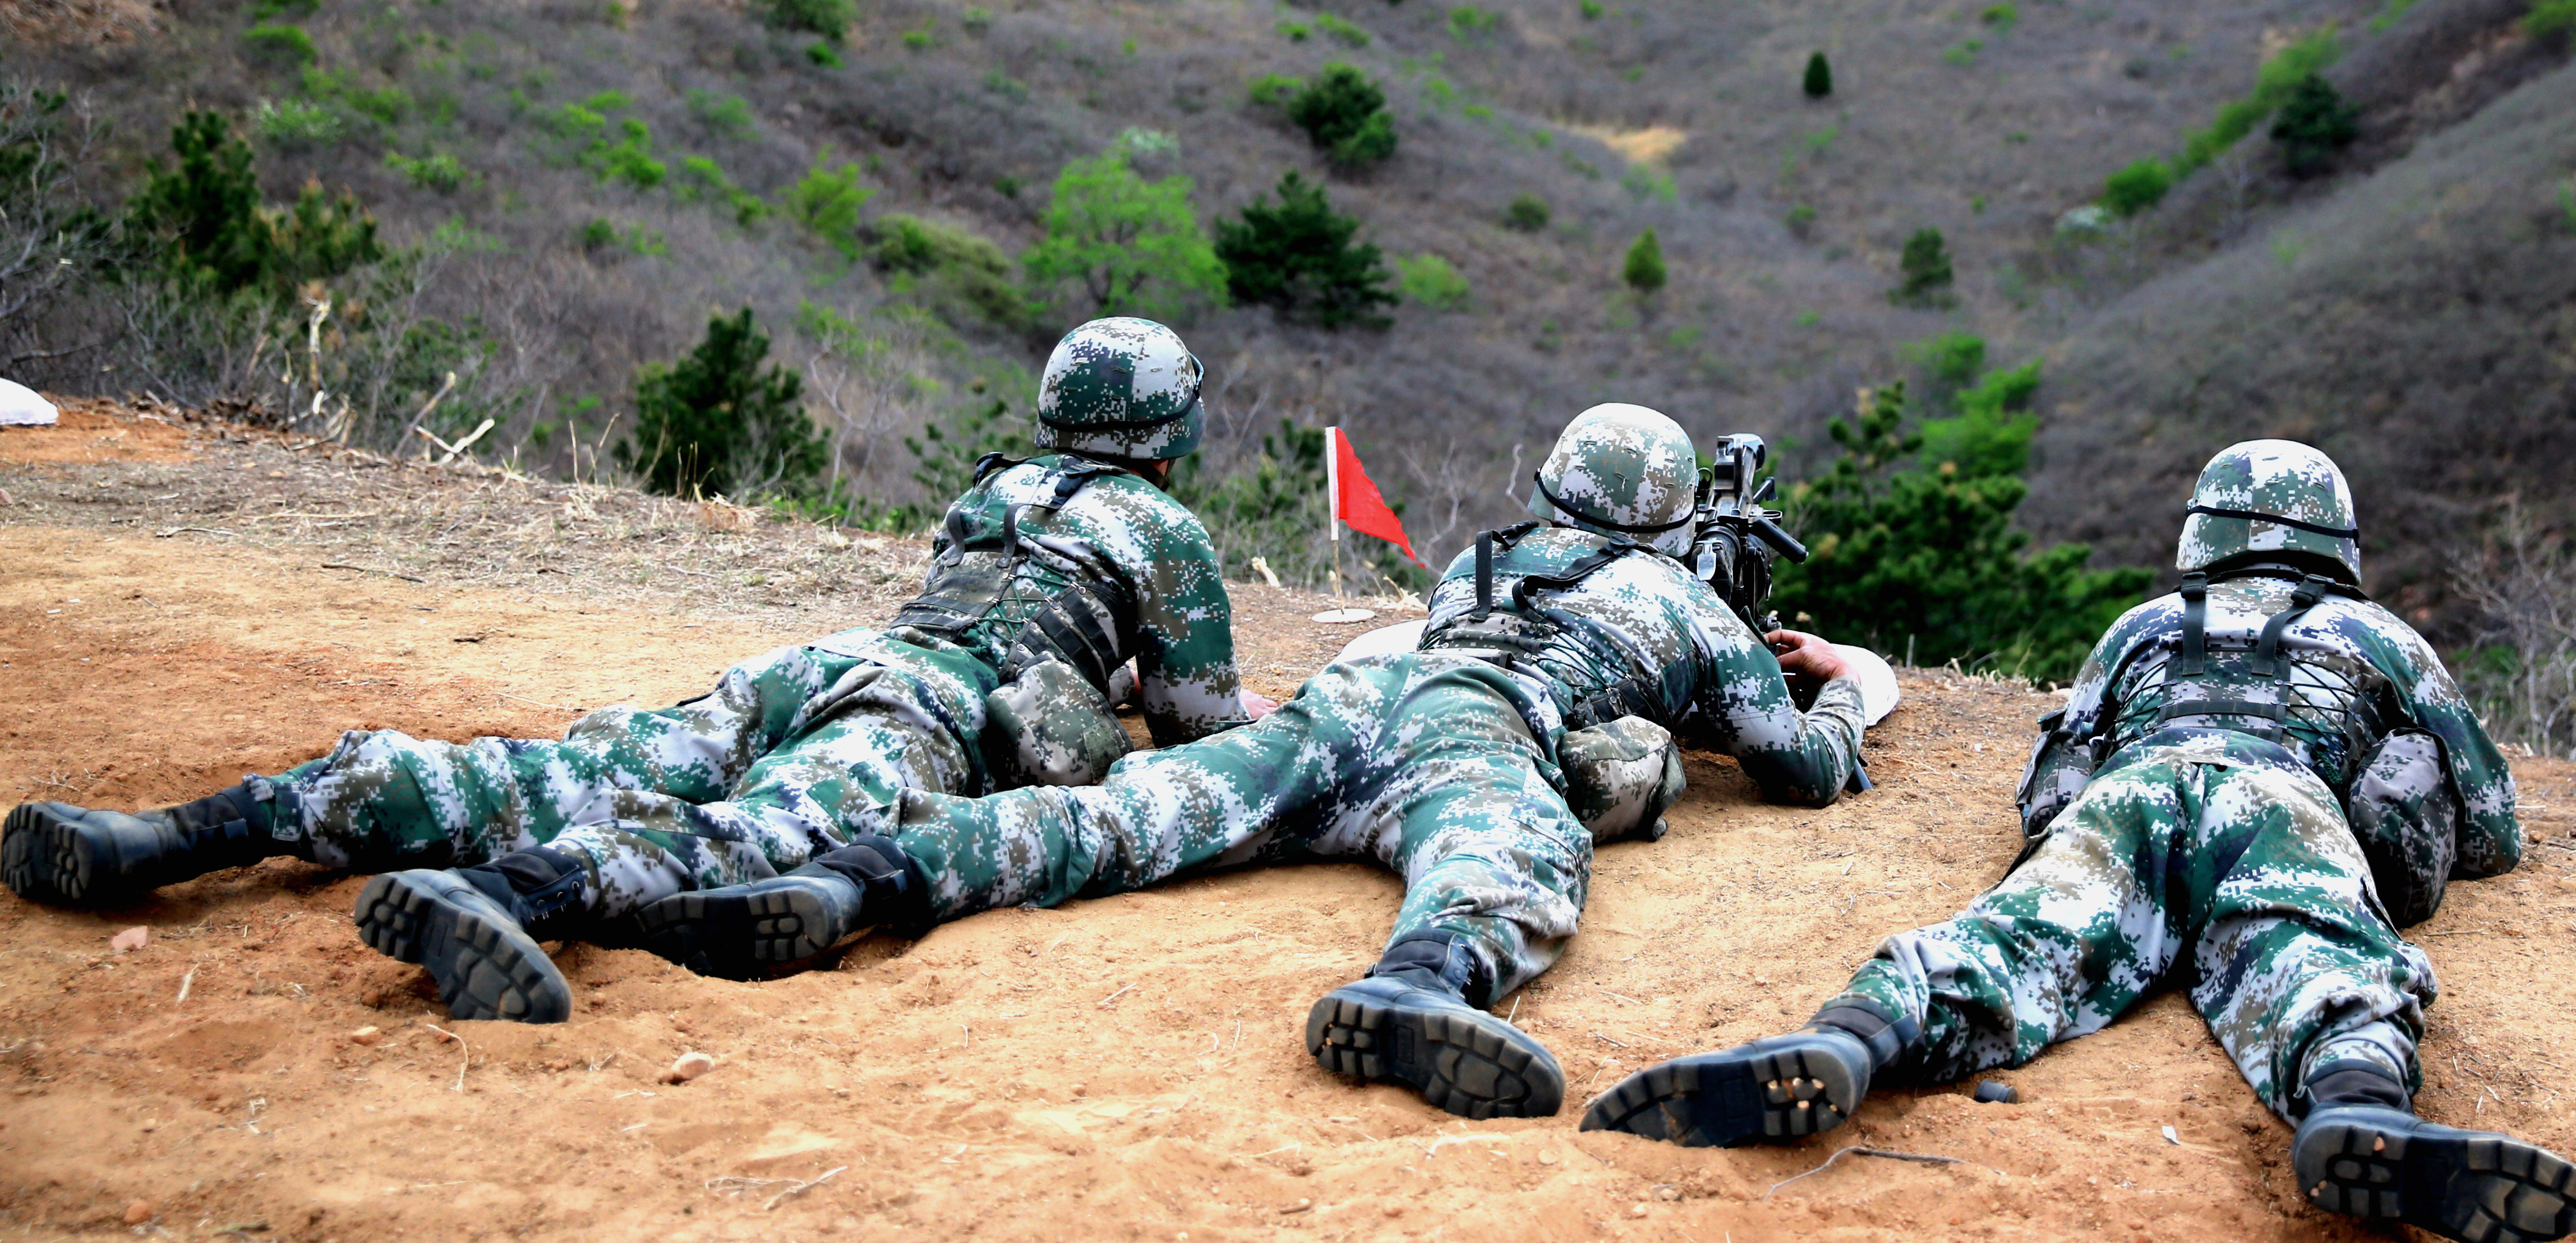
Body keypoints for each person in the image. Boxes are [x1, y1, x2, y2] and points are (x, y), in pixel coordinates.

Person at [1, 317, 1261, 1025]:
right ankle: (515, 898)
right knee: (757, 835)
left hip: (822, 667)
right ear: (1171, 427)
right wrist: (1173, 702)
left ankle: (183, 834)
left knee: (553, 769)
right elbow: (1199, 728)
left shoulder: (989, 490)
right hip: (919, 715)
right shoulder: (1168, 533)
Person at [645, 402, 1869, 1120]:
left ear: (1552, 490)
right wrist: (1844, 698)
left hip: (1349, 703)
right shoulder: (1689, 607)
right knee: (1511, 860)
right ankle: (1424, 986)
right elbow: (1797, 771)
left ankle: (860, 881)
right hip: (1475, 729)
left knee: (1128, 814)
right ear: (1672, 520)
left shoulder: (1480, 561)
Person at [1582, 440, 2576, 1243]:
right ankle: (2360, 1108)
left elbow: (2058, 782)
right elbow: (2491, 830)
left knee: (2005, 942)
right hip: (2284, 803)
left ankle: (1855, 1036)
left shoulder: (2139, 628)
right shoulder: (2381, 638)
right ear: (2334, 540)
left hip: (2134, 791)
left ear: (2205, 532)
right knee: (2325, 962)